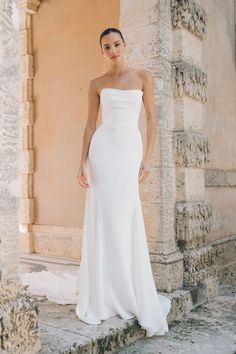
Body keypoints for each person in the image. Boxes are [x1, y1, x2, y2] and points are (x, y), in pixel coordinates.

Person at [19, 27, 171, 338]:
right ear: (101, 52)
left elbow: (153, 120)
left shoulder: (143, 76)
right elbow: (90, 125)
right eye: (106, 47)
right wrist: (82, 163)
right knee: (104, 217)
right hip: (102, 151)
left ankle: (128, 288)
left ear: (125, 45)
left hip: (129, 149)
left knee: (125, 215)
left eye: (116, 44)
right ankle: (102, 291)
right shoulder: (97, 84)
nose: (113, 50)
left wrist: (148, 158)